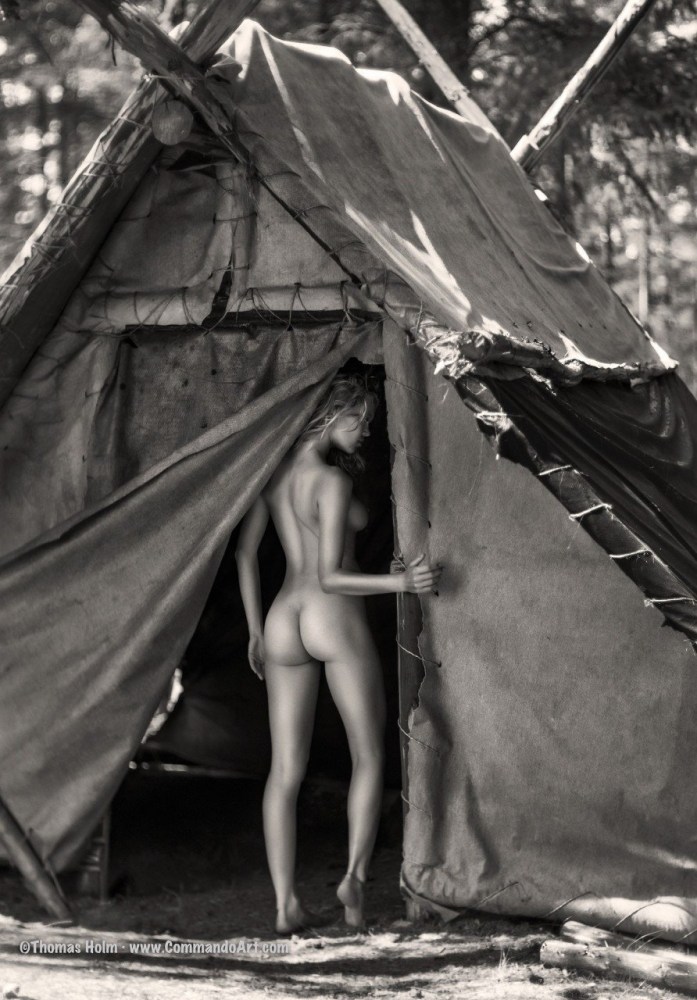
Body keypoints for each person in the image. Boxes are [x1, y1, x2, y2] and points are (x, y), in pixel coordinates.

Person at [235, 374, 442, 933]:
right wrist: (400, 584)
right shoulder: (330, 481)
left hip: (282, 618)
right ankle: (354, 881)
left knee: (284, 770)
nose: (365, 430)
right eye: (359, 419)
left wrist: (254, 631)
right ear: (329, 417)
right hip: (330, 614)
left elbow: (245, 555)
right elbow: (330, 575)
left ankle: (285, 906)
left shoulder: (271, 474)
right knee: (369, 756)